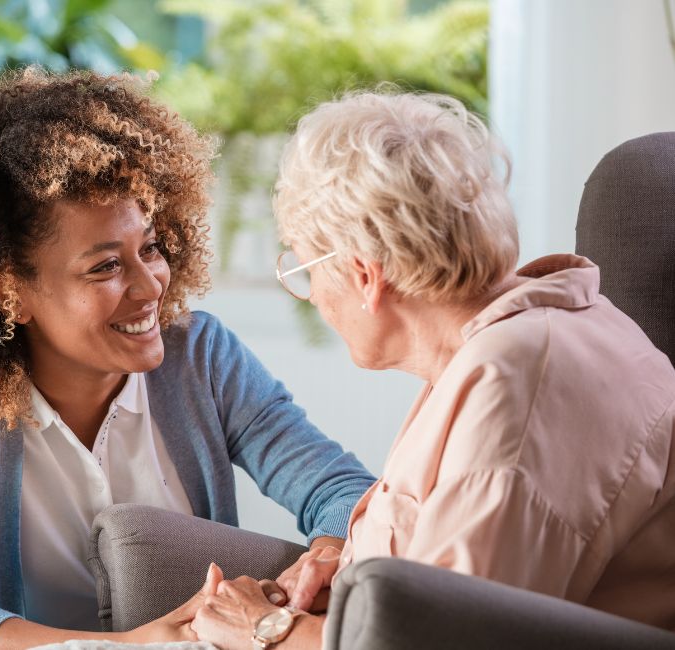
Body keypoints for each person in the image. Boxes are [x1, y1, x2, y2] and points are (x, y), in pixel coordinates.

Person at [0, 67, 375, 650]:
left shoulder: (202, 358)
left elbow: (344, 492)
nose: (150, 286)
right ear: (11, 291)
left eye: (151, 248)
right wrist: (125, 648)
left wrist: (326, 555)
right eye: (106, 266)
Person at [191, 90, 675, 649]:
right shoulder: (507, 345)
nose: (314, 297)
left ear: (364, 274)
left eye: (305, 268)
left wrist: (265, 629)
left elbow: (447, 639)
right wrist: (348, 576)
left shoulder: (517, 385)